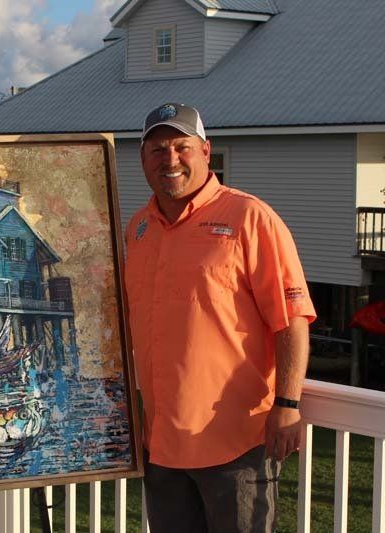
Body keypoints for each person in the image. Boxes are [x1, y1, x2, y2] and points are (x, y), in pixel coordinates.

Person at [124, 103, 316, 532]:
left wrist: (287, 405)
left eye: (181, 147)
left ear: (206, 151)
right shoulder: (138, 228)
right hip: (161, 445)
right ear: (142, 159)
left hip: (235, 444)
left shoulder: (250, 217)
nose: (169, 160)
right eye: (157, 150)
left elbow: (292, 320)